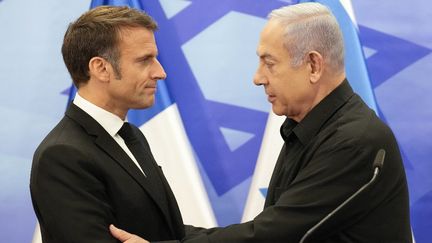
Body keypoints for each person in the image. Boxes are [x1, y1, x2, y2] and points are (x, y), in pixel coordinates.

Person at [110, 2, 412, 243]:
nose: (258, 78)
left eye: (269, 63)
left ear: (313, 65)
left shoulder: (354, 141)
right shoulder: (309, 127)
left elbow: (273, 236)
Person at [30, 6, 186, 243]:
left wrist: (260, 232)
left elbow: (168, 233)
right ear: (101, 68)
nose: (160, 72)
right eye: (145, 60)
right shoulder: (61, 155)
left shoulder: (131, 135)